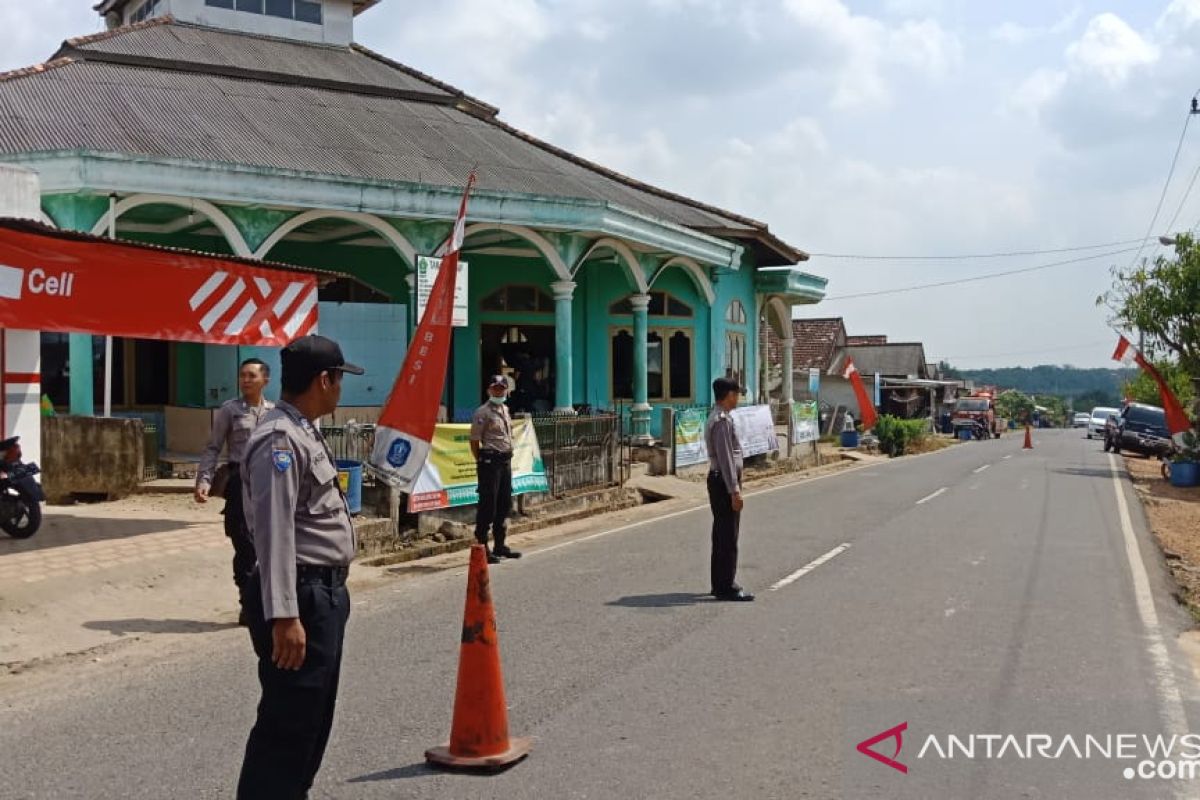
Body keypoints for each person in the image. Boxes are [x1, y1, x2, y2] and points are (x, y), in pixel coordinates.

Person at [236, 335, 363, 800]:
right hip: (300, 596)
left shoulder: (302, 428)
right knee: (287, 727)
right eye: (339, 380)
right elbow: (273, 533)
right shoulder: (279, 439)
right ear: (324, 380)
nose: (340, 389)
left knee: (311, 721)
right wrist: (284, 615)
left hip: (321, 592)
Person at [195, 358, 274, 621]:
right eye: (242, 376)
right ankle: (247, 602)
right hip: (240, 484)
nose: (246, 380)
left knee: (269, 544)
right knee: (244, 546)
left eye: (252, 376)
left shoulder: (275, 413)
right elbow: (213, 447)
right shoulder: (230, 410)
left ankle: (267, 601)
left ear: (266, 380)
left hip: (268, 485)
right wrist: (204, 480)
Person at [706, 377, 753, 602]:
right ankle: (726, 586)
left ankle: (719, 583)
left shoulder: (720, 417)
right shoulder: (722, 421)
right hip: (723, 482)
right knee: (728, 535)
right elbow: (725, 459)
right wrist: (734, 490)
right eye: (737, 394)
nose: (739, 398)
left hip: (719, 480)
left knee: (721, 534)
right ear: (729, 395)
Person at [470, 375, 522, 564]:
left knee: (504, 504)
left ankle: (500, 545)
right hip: (490, 462)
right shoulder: (482, 412)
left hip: (505, 462)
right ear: (488, 391)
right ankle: (482, 547)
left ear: (506, 391)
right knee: (488, 505)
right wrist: (482, 461)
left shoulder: (505, 409)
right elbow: (474, 440)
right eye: (495, 388)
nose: (498, 391)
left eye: (502, 388)